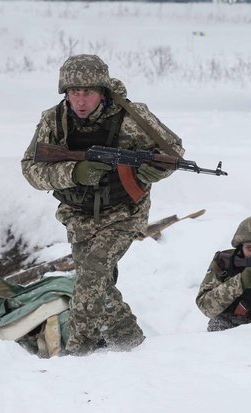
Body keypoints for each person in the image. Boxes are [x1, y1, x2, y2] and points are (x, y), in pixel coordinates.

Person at [21, 54, 184, 355]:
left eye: (89, 92)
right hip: (78, 215)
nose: (81, 101)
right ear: (65, 93)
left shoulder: (132, 117)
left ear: (103, 92)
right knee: (97, 284)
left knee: (93, 274)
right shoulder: (53, 121)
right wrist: (73, 172)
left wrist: (155, 170)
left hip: (123, 212)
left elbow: (172, 152)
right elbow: (31, 170)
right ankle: (130, 343)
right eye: (74, 92)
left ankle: (77, 350)